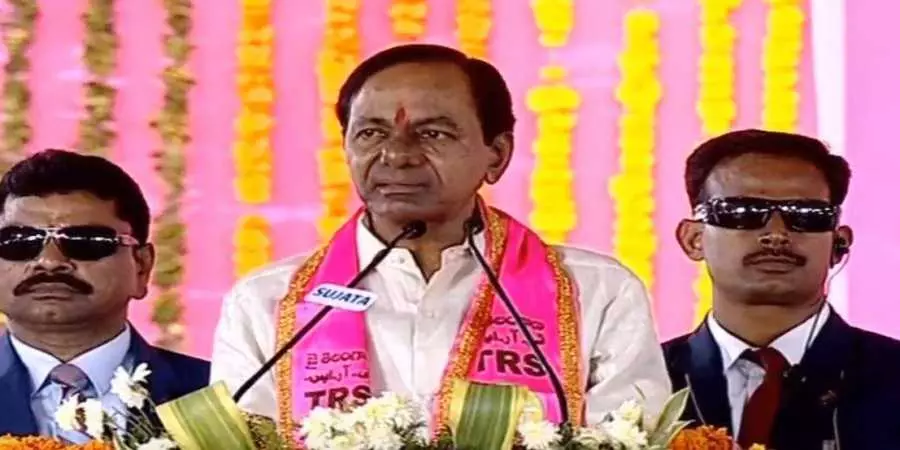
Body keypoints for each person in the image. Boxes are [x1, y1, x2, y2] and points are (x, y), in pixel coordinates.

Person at [210, 44, 670, 434]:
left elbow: (629, 436)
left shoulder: (596, 291)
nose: (396, 155)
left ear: (497, 155)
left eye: (432, 133)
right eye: (371, 133)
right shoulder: (268, 302)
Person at [664, 129, 900, 449]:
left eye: (806, 216)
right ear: (694, 239)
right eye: (743, 213)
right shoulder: (636, 383)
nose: (776, 234)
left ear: (839, 243)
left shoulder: (892, 374)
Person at [0, 150, 209, 440]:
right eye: (19, 242)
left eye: (85, 242)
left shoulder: (219, 398)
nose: (49, 261)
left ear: (141, 266)